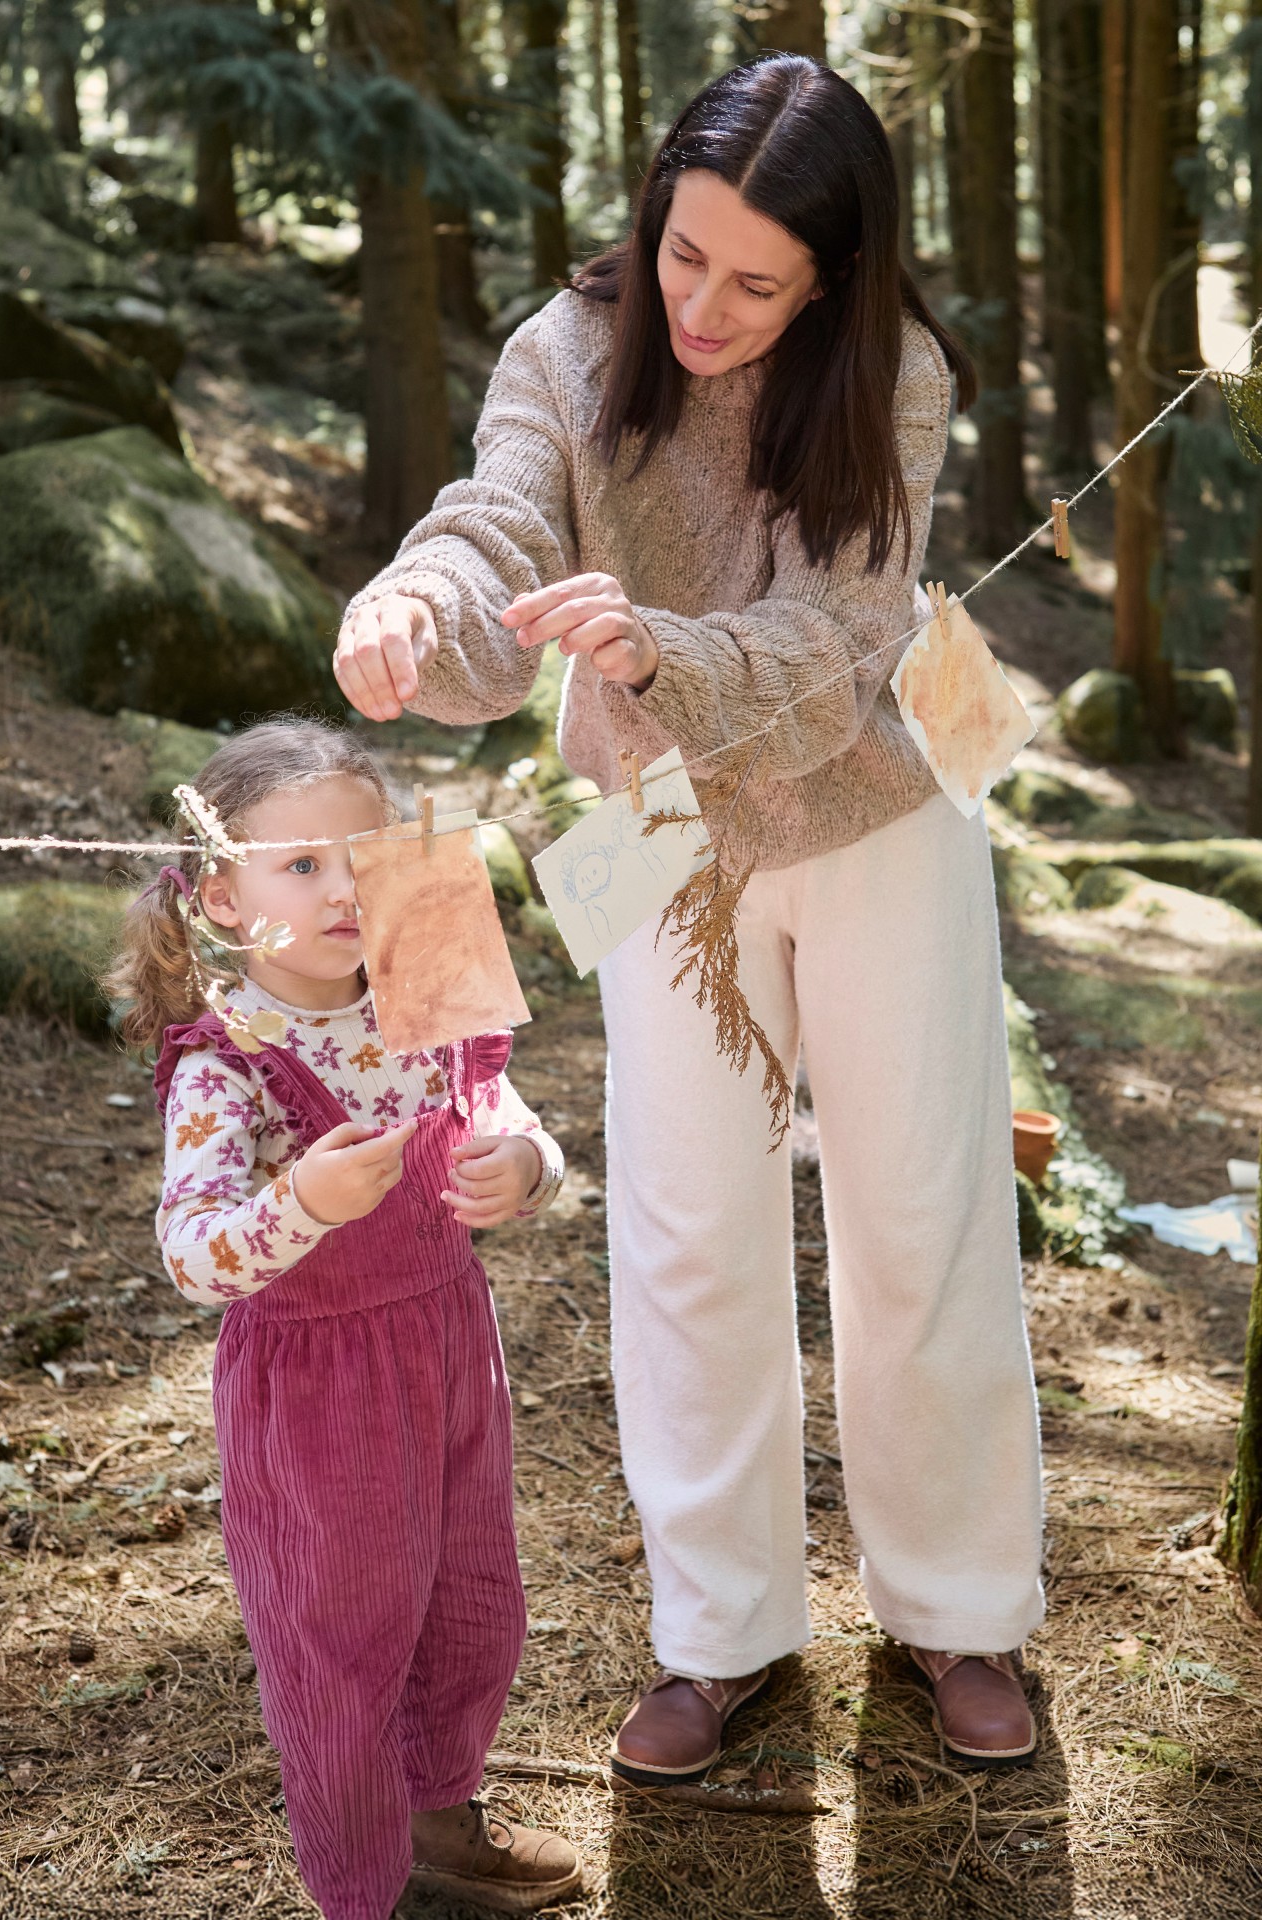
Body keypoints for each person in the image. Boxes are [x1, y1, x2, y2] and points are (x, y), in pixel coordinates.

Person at [333, 55, 1046, 1784]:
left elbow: (843, 631)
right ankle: (717, 1633)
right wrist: (423, 605)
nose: (706, 307)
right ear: (651, 215)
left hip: (876, 816)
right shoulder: (567, 351)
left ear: (836, 278)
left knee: (919, 1215)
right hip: (663, 835)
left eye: (757, 281)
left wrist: (662, 648)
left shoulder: (897, 374)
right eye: (683, 257)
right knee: (683, 1229)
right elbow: (498, 522)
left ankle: (956, 1609)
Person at [108, 718, 582, 1920]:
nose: (341, 890)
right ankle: (364, 1890)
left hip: (448, 1350)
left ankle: (441, 1820)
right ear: (222, 895)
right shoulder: (232, 1065)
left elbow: (511, 1106)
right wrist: (300, 1201)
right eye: (301, 864)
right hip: (319, 1390)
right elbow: (193, 1252)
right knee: (342, 1638)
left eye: (359, 858)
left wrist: (525, 1162)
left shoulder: (423, 986)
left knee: (470, 1596)